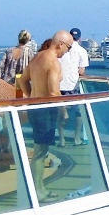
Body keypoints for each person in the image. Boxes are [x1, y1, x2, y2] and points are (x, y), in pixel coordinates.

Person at [16, 33, 73, 199]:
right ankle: (37, 192)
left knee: (40, 152)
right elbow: (54, 92)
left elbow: (22, 80)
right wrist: (64, 111)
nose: (67, 52)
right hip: (45, 111)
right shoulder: (53, 62)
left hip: (35, 108)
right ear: (60, 44)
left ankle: (40, 189)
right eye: (68, 47)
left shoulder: (38, 57)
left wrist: (32, 97)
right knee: (40, 153)